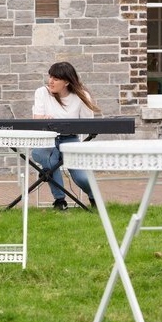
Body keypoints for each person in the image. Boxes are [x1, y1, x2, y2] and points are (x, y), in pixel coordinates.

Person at [30, 61, 101, 211]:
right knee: (47, 159)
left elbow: (88, 124)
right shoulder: (42, 92)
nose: (51, 81)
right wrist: (44, 120)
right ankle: (60, 200)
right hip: (47, 139)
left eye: (56, 79)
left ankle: (95, 198)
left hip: (70, 139)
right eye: (50, 77)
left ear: (67, 82)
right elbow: (37, 119)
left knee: (81, 177)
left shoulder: (82, 96)